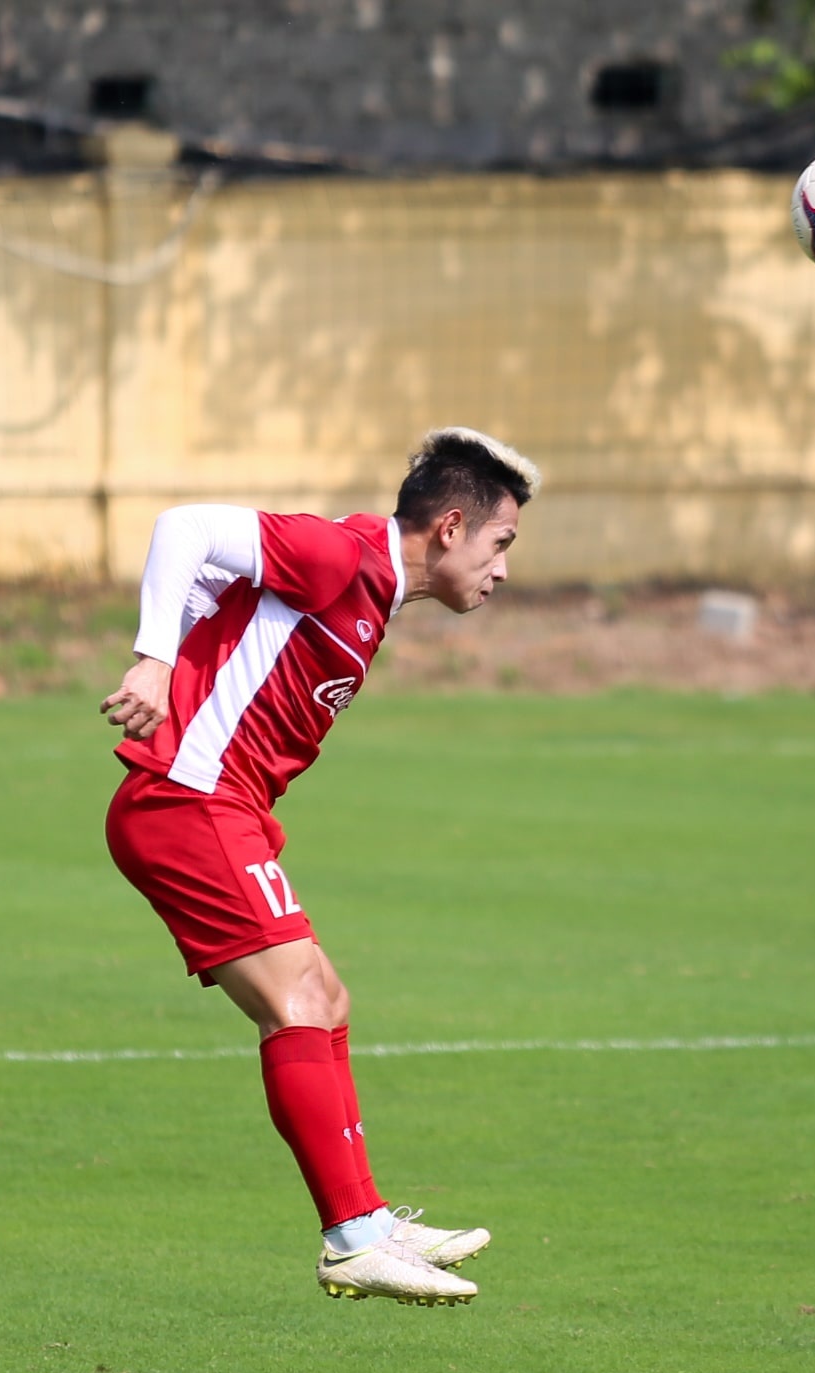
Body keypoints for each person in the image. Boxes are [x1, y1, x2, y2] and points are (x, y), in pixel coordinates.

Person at [98, 427, 536, 1306]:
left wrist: (190, 637)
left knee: (324, 999)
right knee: (297, 1001)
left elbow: (223, 593)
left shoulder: (370, 589)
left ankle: (366, 1218)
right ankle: (348, 1237)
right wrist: (155, 658)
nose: (503, 568)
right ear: (451, 527)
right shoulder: (339, 553)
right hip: (190, 803)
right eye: (501, 543)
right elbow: (184, 528)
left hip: (226, 810)